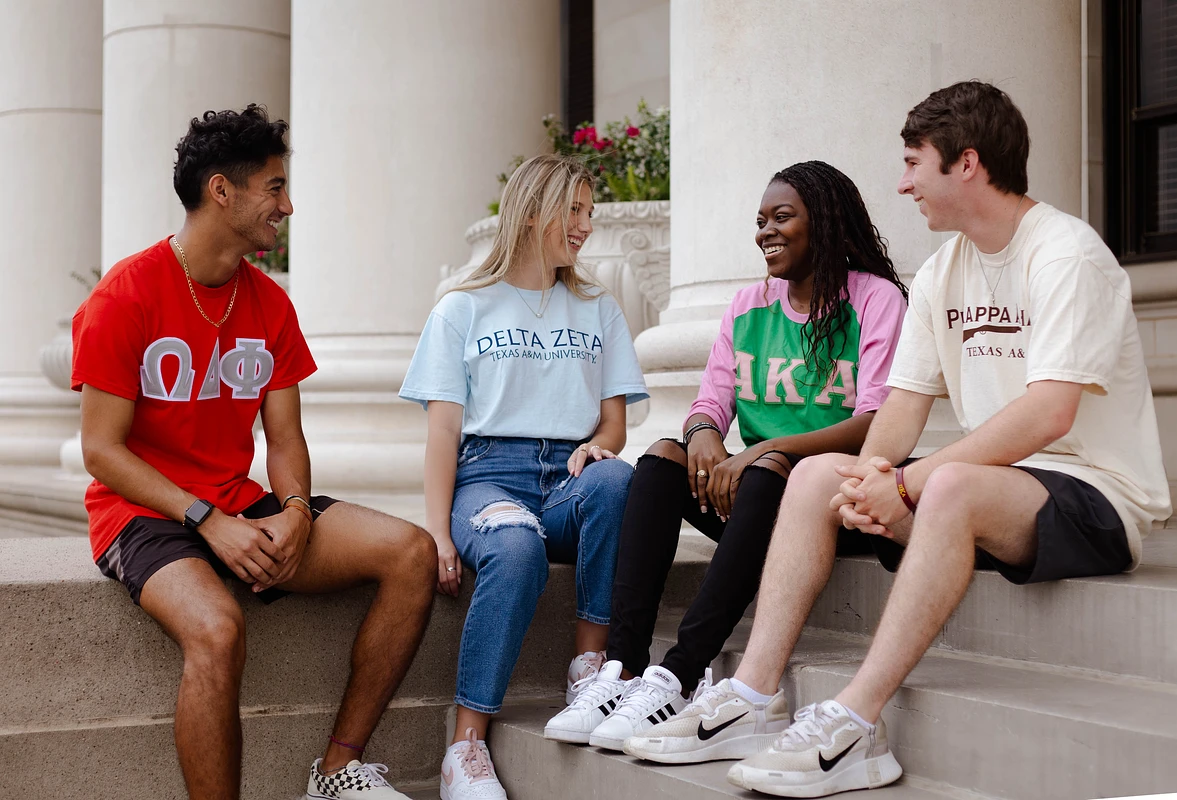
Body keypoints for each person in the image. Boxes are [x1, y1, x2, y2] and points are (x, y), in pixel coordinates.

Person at [704, 81, 1172, 797]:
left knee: (947, 481)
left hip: (1095, 494)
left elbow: (1049, 415)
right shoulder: (942, 272)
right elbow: (903, 405)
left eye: (914, 162)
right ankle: (754, 696)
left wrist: (909, 483)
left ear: (967, 163)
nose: (902, 182)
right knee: (817, 473)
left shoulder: (1066, 256)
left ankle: (856, 723)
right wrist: (870, 477)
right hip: (997, 483)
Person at [72, 105, 437, 800]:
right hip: (142, 513)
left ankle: (335, 771)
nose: (287, 205)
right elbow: (101, 451)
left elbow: (286, 437)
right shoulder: (125, 295)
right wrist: (205, 517)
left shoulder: (269, 303)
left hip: (243, 506)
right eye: (274, 188)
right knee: (216, 628)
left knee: (410, 553)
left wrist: (297, 510)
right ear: (221, 191)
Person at [543, 160, 909, 758]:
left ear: (826, 221)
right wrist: (703, 433)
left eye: (782, 217)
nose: (765, 231)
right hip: (755, 498)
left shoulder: (873, 299)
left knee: (766, 470)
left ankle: (679, 675)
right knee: (661, 458)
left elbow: (876, 421)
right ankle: (623, 670)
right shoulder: (747, 306)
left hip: (832, 503)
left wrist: (766, 448)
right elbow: (708, 402)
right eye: (760, 221)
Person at [399, 153, 648, 800]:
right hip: (488, 475)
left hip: (567, 478)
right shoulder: (463, 309)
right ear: (532, 210)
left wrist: (597, 448)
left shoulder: (599, 309)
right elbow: (443, 434)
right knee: (515, 546)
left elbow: (613, 427)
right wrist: (440, 537)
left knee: (618, 479)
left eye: (589, 213)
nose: (585, 226)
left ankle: (590, 670)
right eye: (574, 210)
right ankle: (466, 745)